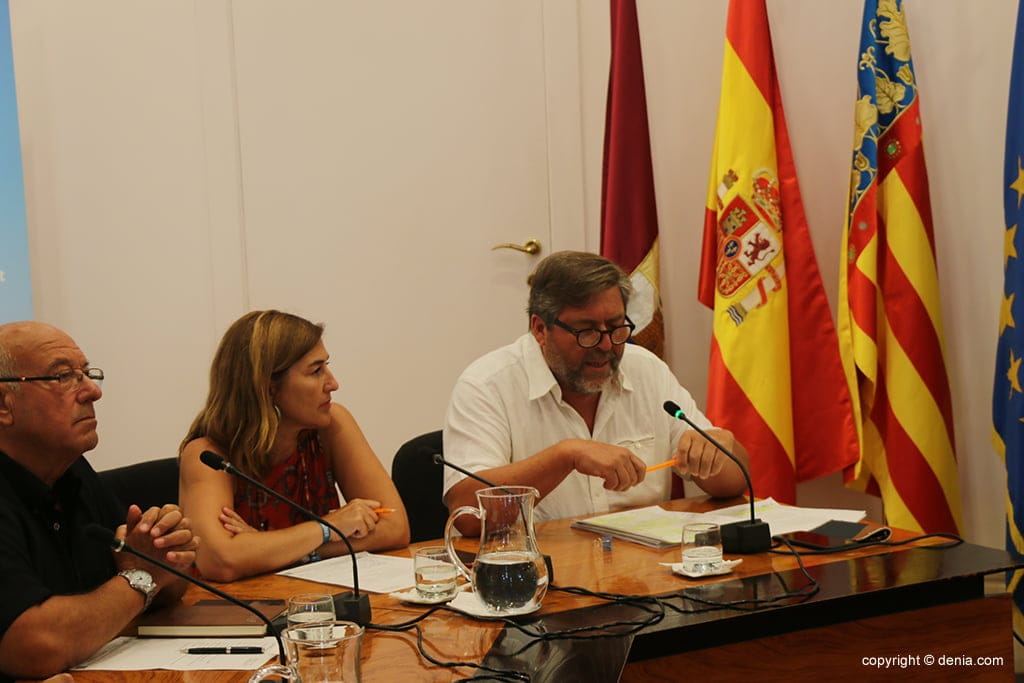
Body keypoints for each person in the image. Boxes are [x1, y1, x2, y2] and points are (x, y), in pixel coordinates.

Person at [443, 251, 750, 533]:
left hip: (646, 573)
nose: (606, 345)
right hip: (542, 577)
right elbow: (469, 515)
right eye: (586, 331)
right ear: (540, 329)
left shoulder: (646, 370)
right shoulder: (486, 385)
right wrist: (566, 455)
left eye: (616, 326)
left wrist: (721, 452)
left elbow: (733, 484)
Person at [0, 322, 197, 681]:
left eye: (87, 374)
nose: (92, 391)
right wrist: (142, 577)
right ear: (4, 404)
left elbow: (167, 582)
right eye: (63, 377)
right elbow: (35, 645)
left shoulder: (72, 467)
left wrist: (164, 553)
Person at [179, 310, 410, 582]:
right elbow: (220, 560)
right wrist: (330, 527)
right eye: (316, 371)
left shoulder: (331, 426)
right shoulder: (208, 455)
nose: (333, 384)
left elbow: (395, 527)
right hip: (241, 614)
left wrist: (273, 548)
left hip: (316, 605)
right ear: (267, 387)